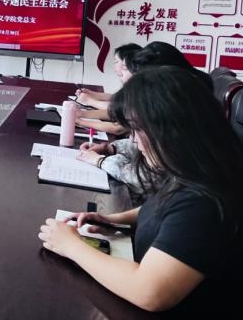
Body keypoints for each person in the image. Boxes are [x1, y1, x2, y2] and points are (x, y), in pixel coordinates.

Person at [39, 66, 243, 313]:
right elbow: (163, 207)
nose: (134, 141)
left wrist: (71, 246)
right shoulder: (194, 169)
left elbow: (149, 292)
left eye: (138, 129)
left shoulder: (204, 201)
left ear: (171, 127)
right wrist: (114, 220)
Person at [77, 41, 212, 195]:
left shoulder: (184, 117)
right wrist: (111, 148)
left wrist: (100, 161)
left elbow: (146, 178)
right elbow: (142, 142)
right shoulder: (180, 101)